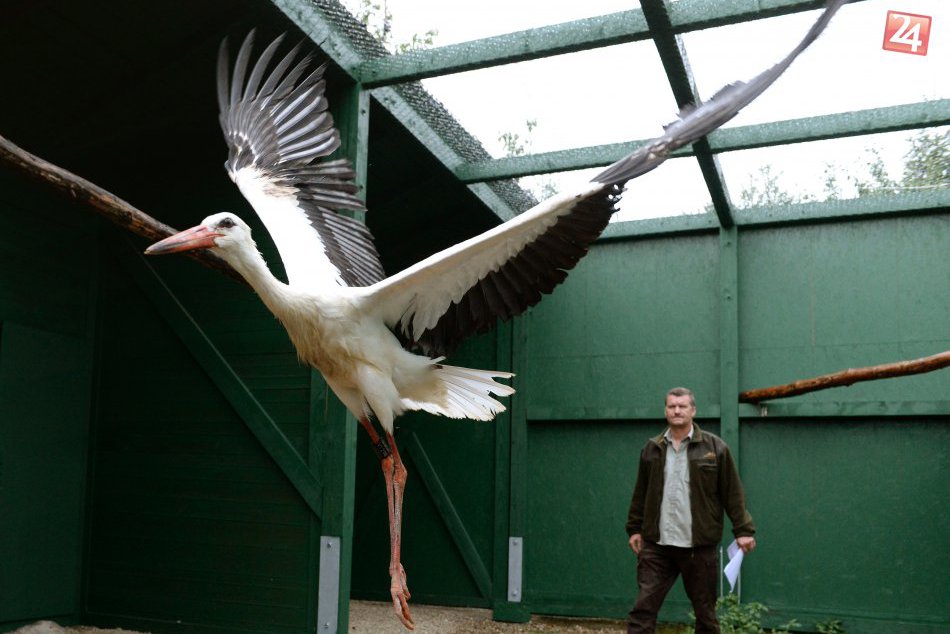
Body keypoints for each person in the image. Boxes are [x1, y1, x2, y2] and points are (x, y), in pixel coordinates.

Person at [625, 387, 756, 634]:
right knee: (643, 609)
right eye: (672, 406)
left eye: (682, 406)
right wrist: (634, 528)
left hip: (699, 547)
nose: (676, 410)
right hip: (657, 546)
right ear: (665, 410)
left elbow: (732, 493)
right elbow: (641, 492)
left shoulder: (715, 449)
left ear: (693, 410)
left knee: (705, 614)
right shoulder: (652, 448)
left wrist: (743, 529)